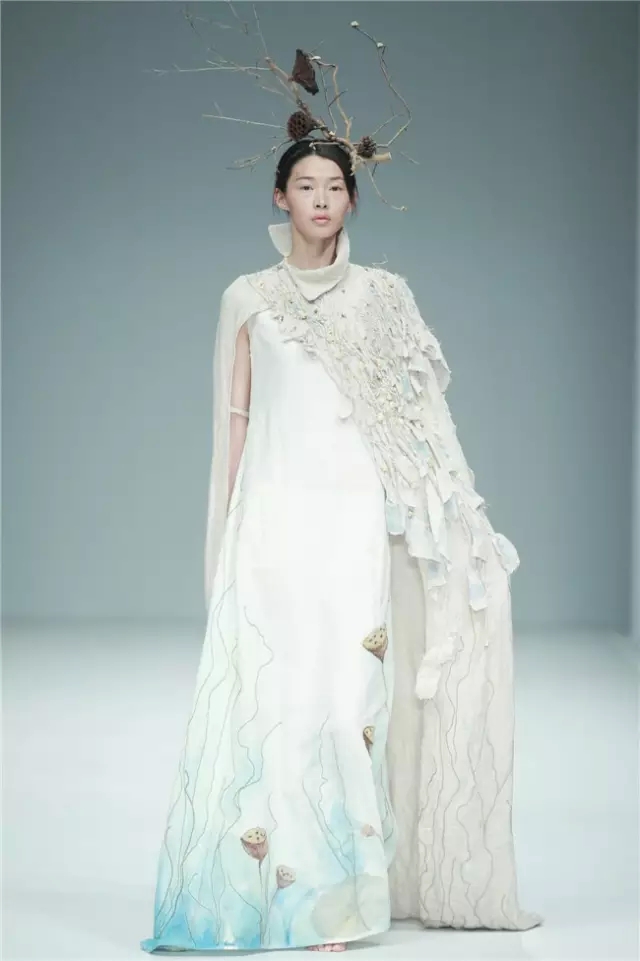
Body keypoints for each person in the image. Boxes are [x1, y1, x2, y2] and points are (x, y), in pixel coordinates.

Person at [140, 137, 542, 955]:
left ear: (353, 199)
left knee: (349, 701)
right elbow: (232, 426)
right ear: (279, 198)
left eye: (333, 186)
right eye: (304, 185)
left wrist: (461, 525)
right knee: (281, 701)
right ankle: (282, 901)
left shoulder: (385, 296)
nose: (320, 199)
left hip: (356, 525)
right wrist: (223, 543)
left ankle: (338, 902)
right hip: (274, 522)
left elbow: (424, 420)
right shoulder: (247, 298)